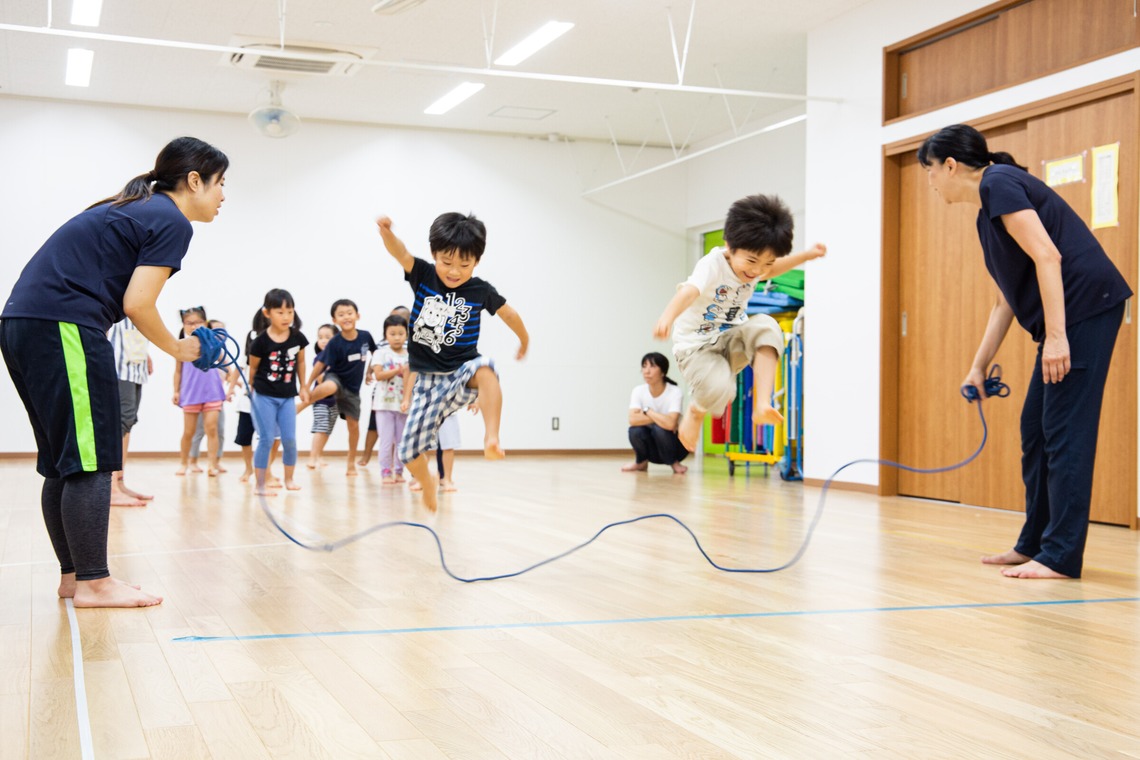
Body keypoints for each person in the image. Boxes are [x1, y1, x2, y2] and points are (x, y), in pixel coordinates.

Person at [0, 136, 226, 607]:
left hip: (24, 323)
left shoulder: (137, 208)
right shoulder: (170, 219)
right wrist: (177, 349)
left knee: (64, 460)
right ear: (193, 181)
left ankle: (74, 577)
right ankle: (94, 583)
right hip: (64, 325)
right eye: (220, 183)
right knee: (92, 458)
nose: (223, 195)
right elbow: (137, 303)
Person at [918, 124, 1132, 580]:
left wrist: (1057, 338)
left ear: (951, 166)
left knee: (1064, 431)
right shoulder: (987, 213)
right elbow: (1005, 300)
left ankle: (1060, 555)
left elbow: (1048, 258)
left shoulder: (999, 183)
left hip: (1086, 312)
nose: (930, 182)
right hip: (1067, 320)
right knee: (1035, 428)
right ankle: (1035, 543)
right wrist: (977, 366)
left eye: (930, 172)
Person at [376, 213, 530, 511]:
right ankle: (428, 482)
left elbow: (509, 314)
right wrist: (386, 233)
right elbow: (400, 252)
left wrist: (524, 340)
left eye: (464, 264)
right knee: (409, 453)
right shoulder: (423, 274)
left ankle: (492, 438)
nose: (455, 271)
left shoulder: (480, 290)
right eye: (447, 262)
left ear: (476, 262)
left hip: (461, 371)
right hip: (426, 383)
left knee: (486, 369)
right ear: (434, 255)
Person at [653, 194, 826, 451]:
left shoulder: (758, 267)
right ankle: (696, 411)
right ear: (729, 246)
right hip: (696, 349)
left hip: (731, 339)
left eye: (765, 263)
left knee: (768, 326)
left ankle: (762, 404)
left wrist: (807, 256)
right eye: (752, 261)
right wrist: (667, 317)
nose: (757, 271)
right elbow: (690, 290)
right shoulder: (712, 264)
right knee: (724, 389)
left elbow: (775, 267)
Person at [301, 300, 376, 476]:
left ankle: (351, 462)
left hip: (352, 388)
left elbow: (376, 353)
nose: (346, 317)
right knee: (330, 385)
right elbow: (320, 364)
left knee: (353, 425)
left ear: (357, 315)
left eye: (349, 313)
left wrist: (370, 372)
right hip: (336, 377)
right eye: (341, 315)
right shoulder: (335, 342)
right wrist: (306, 385)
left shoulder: (365, 337)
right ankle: (302, 405)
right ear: (335, 320)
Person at [247, 289, 309, 495]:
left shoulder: (297, 337)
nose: (286, 317)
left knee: (289, 439)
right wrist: (250, 388)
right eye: (280, 312)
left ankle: (289, 479)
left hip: (287, 397)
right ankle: (260, 484)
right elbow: (253, 368)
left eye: (289, 312)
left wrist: (304, 386)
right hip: (264, 396)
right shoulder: (261, 341)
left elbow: (300, 362)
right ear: (267, 313)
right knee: (266, 439)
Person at [172, 307, 226, 477]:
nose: (194, 326)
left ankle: (212, 464)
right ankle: (184, 463)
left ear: (205, 322)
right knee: (189, 432)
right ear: (183, 325)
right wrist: (176, 391)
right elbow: (178, 371)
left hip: (212, 392)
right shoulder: (181, 346)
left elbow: (224, 360)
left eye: (198, 322)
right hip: (191, 393)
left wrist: (232, 377)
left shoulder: (212, 343)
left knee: (212, 429)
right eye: (189, 323)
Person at [107, 317, 154, 506]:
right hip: (119, 367)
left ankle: (119, 482)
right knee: (118, 424)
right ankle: (110, 489)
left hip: (135, 365)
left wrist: (146, 355)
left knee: (128, 422)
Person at [359, 305, 411, 466]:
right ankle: (368, 456)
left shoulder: (411, 346)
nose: (396, 336)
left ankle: (399, 467)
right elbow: (375, 361)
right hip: (383, 396)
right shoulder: (382, 345)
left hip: (403, 397)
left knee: (400, 436)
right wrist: (368, 372)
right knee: (376, 427)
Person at [622, 352, 688, 474]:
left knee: (660, 429)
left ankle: (674, 462)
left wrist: (647, 411)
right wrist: (662, 419)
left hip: (677, 446)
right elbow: (632, 420)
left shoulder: (675, 392)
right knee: (635, 430)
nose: (647, 371)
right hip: (653, 450)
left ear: (663, 372)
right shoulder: (638, 391)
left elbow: (671, 425)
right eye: (644, 366)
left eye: (652, 366)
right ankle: (641, 462)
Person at [188, 318, 237, 473]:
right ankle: (192, 461)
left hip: (216, 397)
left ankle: (215, 462)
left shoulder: (221, 353)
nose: (220, 334)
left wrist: (232, 386)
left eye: (222, 330)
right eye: (216, 329)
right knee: (198, 431)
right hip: (199, 397)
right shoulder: (203, 350)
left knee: (218, 430)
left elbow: (230, 371)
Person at [371, 314, 410, 483]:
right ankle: (386, 472)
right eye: (392, 333)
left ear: (406, 335)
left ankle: (399, 472)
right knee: (386, 441)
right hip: (383, 405)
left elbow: (412, 379)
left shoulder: (410, 355)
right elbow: (378, 375)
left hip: (403, 405)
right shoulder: (380, 353)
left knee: (402, 442)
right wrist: (398, 371)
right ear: (385, 335)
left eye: (401, 333)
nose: (396, 337)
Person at [307, 323, 340, 469]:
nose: (323, 340)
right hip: (321, 400)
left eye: (327, 337)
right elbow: (320, 379)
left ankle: (319, 455)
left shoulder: (339, 357)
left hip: (335, 401)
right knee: (321, 428)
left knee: (328, 429)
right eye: (320, 337)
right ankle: (312, 458)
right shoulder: (320, 358)